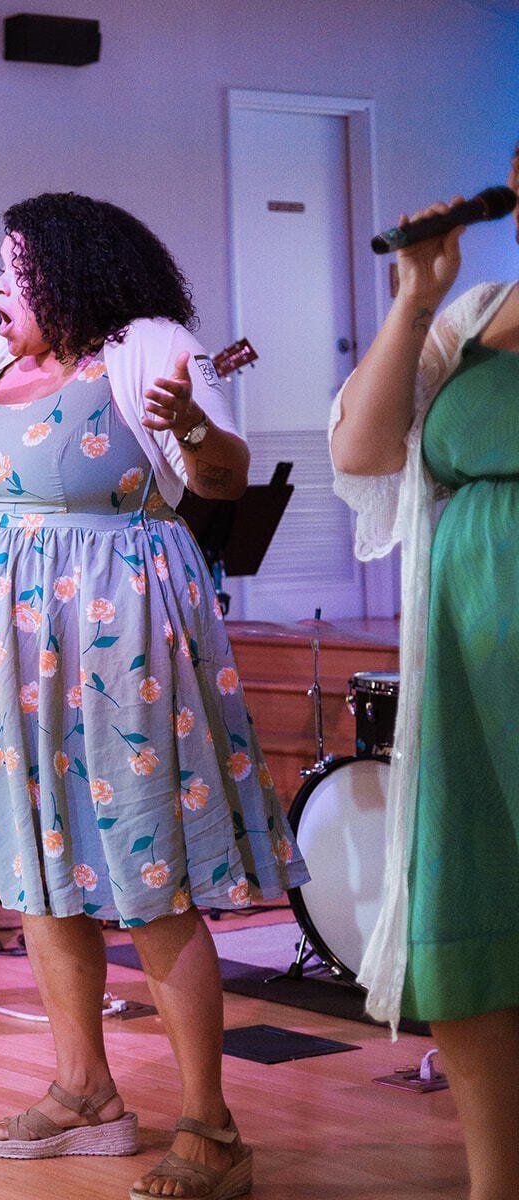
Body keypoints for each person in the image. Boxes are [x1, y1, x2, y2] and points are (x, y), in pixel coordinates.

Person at [0, 193, 307, 1200]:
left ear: (71, 274)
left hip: (120, 626)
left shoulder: (148, 347)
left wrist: (191, 426)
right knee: (42, 866)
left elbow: (223, 477)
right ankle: (85, 1091)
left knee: (145, 865)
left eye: (16, 269)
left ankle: (210, 1126)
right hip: (10, 641)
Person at [329, 147, 519, 1200]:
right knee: (476, 905)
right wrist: (415, 297)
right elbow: (362, 451)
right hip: (472, 646)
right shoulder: (477, 314)